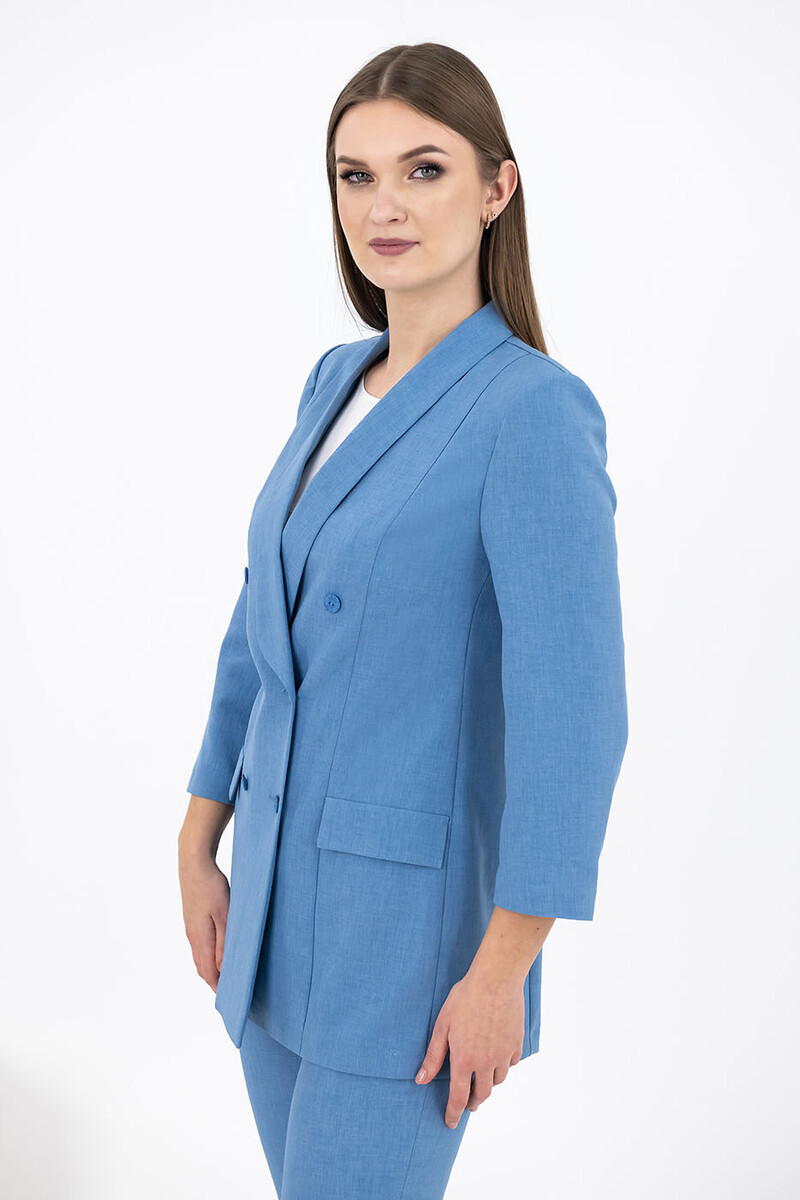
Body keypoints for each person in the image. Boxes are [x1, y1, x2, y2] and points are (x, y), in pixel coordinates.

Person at [178, 41, 628, 1200]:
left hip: (403, 948)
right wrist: (197, 837)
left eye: (423, 169)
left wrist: (502, 970)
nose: (383, 206)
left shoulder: (532, 412)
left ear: (494, 189)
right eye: (355, 174)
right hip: (269, 909)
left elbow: (574, 721)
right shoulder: (332, 379)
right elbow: (258, 622)